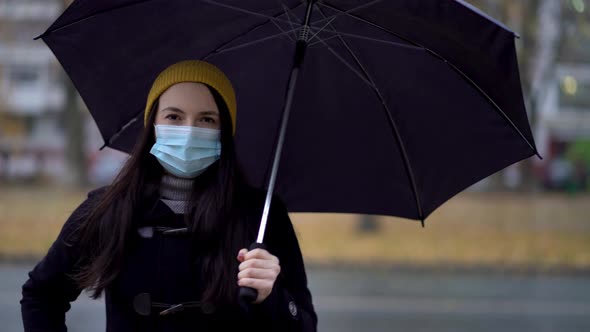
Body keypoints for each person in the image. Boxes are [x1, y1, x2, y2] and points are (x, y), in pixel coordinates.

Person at [20, 60, 318, 331]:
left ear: (224, 131)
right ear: (153, 125)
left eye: (206, 119)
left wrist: (271, 297)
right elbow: (41, 295)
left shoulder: (262, 215)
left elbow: (304, 325)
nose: (189, 131)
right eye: (174, 116)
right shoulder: (107, 209)